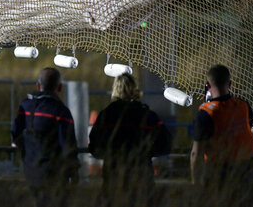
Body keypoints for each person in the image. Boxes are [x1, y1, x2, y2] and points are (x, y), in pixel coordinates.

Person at [88, 73, 171, 207]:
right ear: (135, 90)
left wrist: (110, 155)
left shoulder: (106, 114)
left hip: (114, 176)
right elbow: (165, 143)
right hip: (141, 176)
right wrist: (147, 152)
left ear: (115, 89)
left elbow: (94, 147)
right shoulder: (146, 114)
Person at [190, 64, 253, 205]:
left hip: (218, 172)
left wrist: (196, 184)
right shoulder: (243, 106)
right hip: (244, 170)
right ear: (230, 84)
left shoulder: (205, 113)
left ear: (207, 84)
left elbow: (196, 154)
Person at [11, 67, 79, 207]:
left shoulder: (25, 106)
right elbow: (68, 145)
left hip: (31, 173)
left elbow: (15, 136)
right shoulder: (61, 111)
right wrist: (74, 171)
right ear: (59, 87)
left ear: (38, 85)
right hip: (54, 175)